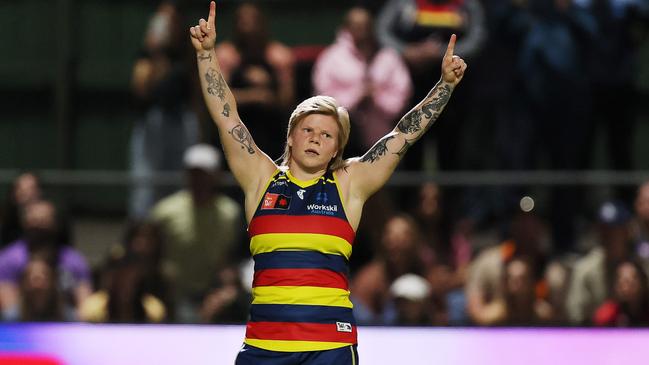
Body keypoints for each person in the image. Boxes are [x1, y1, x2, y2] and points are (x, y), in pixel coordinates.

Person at [189, 2, 466, 363]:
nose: (316, 138)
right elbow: (227, 119)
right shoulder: (260, 178)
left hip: (330, 351)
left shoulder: (349, 184)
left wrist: (444, 86)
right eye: (308, 130)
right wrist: (207, 56)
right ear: (290, 137)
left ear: (338, 147)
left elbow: (404, 135)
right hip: (263, 351)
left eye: (327, 134)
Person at [150, 144, 243, 322]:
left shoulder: (230, 213)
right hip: (172, 296)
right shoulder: (165, 212)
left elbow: (229, 259)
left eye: (204, 174)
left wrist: (225, 291)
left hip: (213, 293)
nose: (199, 180)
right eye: (194, 173)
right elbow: (152, 255)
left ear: (216, 176)